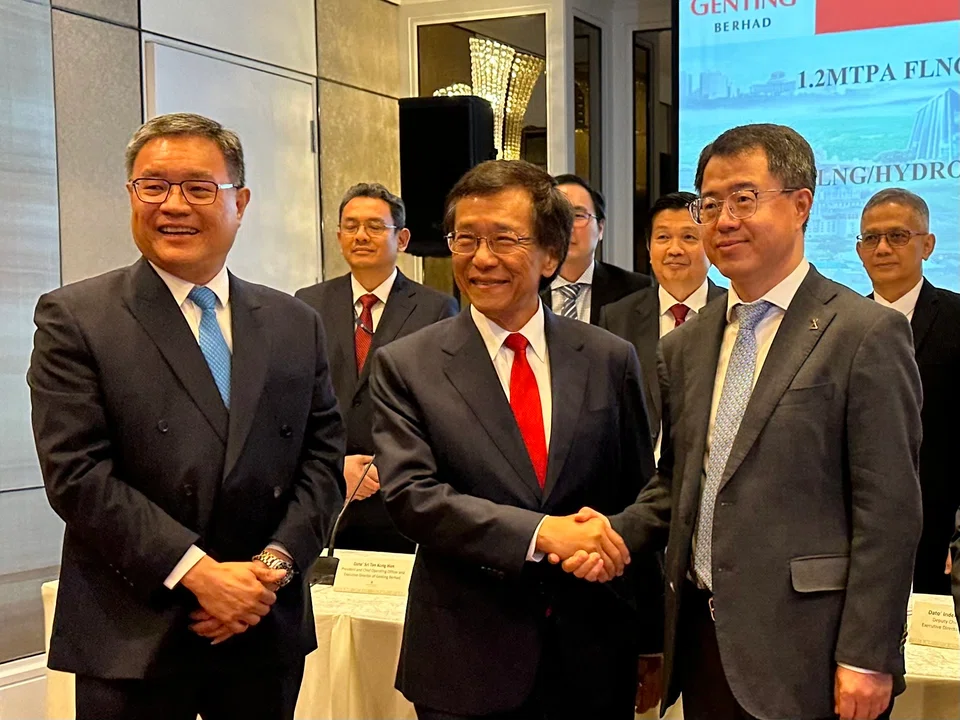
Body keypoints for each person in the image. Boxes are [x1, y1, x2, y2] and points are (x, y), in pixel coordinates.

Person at [559, 124, 922, 720]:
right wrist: (615, 532)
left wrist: (868, 654)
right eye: (710, 203)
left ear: (801, 204)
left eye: (745, 199)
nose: (723, 220)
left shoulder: (864, 333)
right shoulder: (687, 343)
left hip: (815, 652)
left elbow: (890, 512)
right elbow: (678, 482)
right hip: (704, 644)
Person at [28, 113, 345, 720]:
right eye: (154, 186)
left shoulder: (292, 322)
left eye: (199, 188)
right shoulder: (78, 317)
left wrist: (271, 569)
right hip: (134, 631)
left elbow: (322, 459)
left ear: (240, 201)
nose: (174, 205)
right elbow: (78, 475)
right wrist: (201, 574)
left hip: (261, 623)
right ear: (131, 195)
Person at [369, 159, 662, 719]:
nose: (481, 258)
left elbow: (637, 494)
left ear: (551, 254)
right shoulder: (408, 365)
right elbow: (413, 499)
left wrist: (649, 637)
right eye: (465, 239)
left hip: (593, 655)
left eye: (504, 239)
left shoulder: (607, 357)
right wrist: (542, 534)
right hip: (466, 659)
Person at [296, 183, 457, 552]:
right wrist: (338, 466)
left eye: (373, 226)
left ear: (401, 239)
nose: (360, 236)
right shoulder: (307, 305)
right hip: (328, 492)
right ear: (338, 237)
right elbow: (298, 402)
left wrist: (388, 466)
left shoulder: (436, 309)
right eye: (350, 227)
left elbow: (442, 409)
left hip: (400, 493)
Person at [856, 187, 960, 595]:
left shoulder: (956, 320)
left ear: (928, 245)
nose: (882, 248)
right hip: (853, 529)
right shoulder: (836, 325)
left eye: (898, 236)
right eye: (871, 238)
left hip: (939, 526)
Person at [600, 191, 725, 446]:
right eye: (663, 237)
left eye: (689, 237)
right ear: (649, 248)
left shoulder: (733, 313)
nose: (674, 249)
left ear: (711, 246)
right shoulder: (616, 318)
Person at [541, 174, 651, 323]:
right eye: (557, 216)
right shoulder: (526, 287)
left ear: (600, 228)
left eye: (578, 216)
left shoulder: (634, 289)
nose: (567, 227)